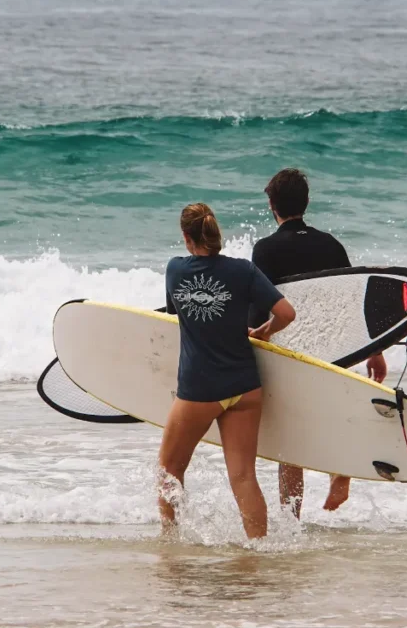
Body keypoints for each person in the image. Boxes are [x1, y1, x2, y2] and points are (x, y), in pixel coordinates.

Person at [250, 168, 387, 517]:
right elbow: (355, 300)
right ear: (306, 203)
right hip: (334, 346)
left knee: (291, 439)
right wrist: (375, 350)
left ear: (271, 205)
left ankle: (290, 517)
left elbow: (259, 306)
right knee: (331, 414)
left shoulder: (265, 249)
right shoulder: (331, 245)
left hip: (290, 349)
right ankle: (339, 471)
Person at [159, 203, 296, 539]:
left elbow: (174, 314)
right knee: (244, 477)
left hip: (200, 390)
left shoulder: (175, 270)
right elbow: (287, 313)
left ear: (187, 237)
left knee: (169, 472)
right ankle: (259, 550)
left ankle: (171, 543)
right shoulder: (244, 271)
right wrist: (264, 332)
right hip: (245, 387)